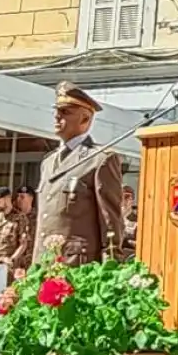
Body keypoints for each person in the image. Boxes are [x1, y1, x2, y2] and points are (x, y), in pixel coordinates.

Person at [35, 84, 124, 266]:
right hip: (44, 263)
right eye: (57, 111)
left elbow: (110, 222)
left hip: (77, 266)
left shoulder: (100, 159)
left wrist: (110, 266)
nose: (57, 116)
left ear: (85, 118)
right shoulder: (48, 162)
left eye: (65, 112)